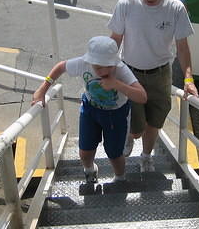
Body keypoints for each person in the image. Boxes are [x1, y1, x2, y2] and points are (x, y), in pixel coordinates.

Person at [108, 0, 198, 172]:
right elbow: (115, 40)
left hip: (160, 74)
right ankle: (131, 137)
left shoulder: (176, 8)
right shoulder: (126, 4)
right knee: (137, 128)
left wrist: (188, 79)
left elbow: (182, 48)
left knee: (155, 122)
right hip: (130, 73)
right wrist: (108, 70)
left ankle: (146, 156)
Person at [31, 36, 147, 182]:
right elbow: (61, 67)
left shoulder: (121, 70)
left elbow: (142, 96)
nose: (103, 71)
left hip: (116, 114)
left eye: (109, 66)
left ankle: (120, 178)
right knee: (85, 151)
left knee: (115, 154)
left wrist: (117, 84)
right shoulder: (83, 63)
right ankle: (90, 170)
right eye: (98, 67)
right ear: (90, 61)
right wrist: (42, 89)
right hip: (90, 110)